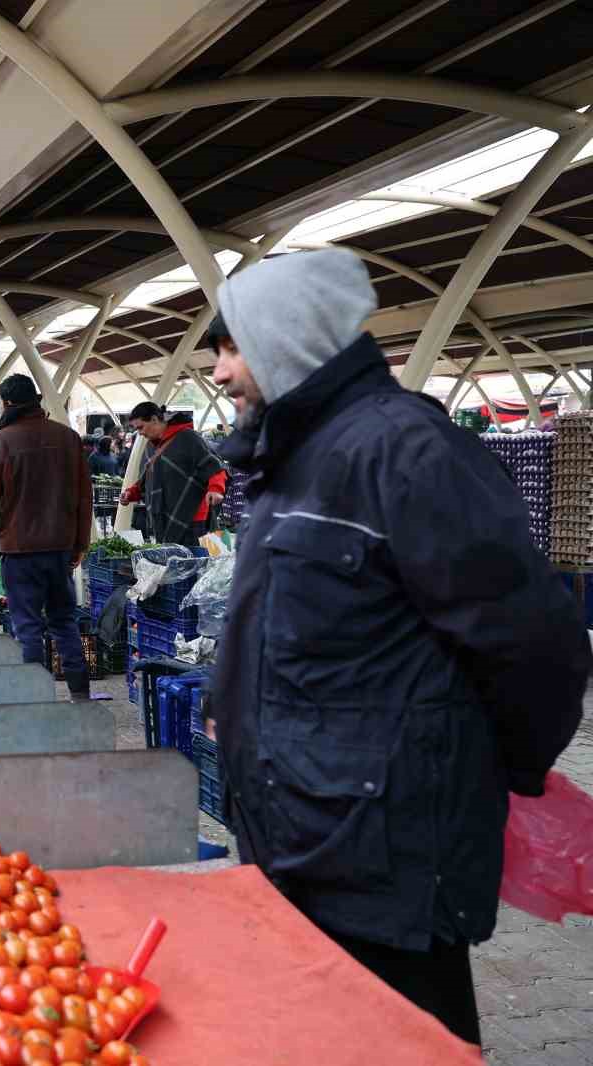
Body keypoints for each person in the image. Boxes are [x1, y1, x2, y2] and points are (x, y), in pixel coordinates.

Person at [207, 247, 590, 1043]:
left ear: (291, 340)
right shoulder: (297, 460)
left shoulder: (407, 453)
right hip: (309, 839)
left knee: (410, 1040)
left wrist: (489, 772)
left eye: (231, 346)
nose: (218, 373)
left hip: (385, 856)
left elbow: (539, 646)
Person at [0, 374, 92, 699]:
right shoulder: (68, 438)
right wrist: (80, 544)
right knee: (64, 622)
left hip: (20, 551)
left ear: (5, 404)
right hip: (59, 547)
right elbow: (83, 497)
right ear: (35, 399)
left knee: (27, 626)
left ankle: (35, 699)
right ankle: (80, 695)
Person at [120, 402, 226, 546]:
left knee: (194, 564)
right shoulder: (151, 446)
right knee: (172, 562)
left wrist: (216, 489)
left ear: (154, 419)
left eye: (141, 427)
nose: (140, 433)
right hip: (162, 519)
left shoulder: (188, 438)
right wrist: (132, 493)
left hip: (193, 519)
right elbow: (148, 479)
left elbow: (214, 467)